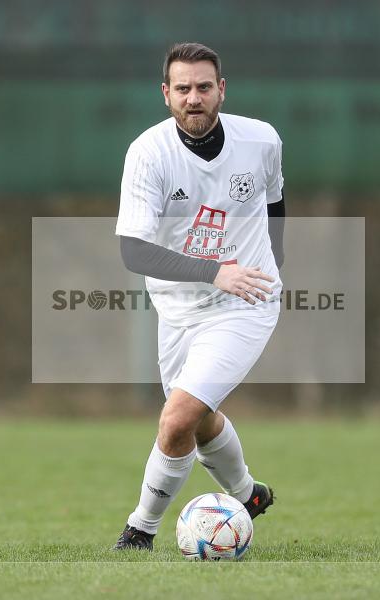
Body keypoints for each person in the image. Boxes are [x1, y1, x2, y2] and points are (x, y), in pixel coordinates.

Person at [112, 42, 286, 550]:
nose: (194, 98)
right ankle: (248, 494)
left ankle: (139, 530)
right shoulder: (149, 154)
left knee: (176, 420)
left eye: (204, 87)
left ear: (221, 90)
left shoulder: (261, 139)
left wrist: (271, 263)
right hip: (177, 310)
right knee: (200, 419)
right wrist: (213, 271)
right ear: (166, 94)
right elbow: (133, 252)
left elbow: (275, 199)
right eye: (183, 88)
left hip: (243, 303)